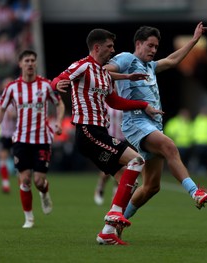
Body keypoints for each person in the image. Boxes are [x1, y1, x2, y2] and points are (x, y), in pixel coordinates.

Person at [51, 28, 163, 245]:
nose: (113, 50)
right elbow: (58, 78)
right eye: (110, 46)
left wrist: (143, 105)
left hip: (99, 132)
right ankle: (113, 215)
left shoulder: (103, 73)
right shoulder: (83, 65)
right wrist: (57, 84)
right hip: (87, 130)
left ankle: (107, 232)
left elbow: (114, 102)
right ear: (97, 47)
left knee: (126, 179)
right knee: (136, 160)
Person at [104, 22, 207, 234]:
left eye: (156, 47)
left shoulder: (150, 66)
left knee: (152, 186)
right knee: (169, 146)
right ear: (138, 43)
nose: (153, 50)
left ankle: (113, 225)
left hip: (152, 126)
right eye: (150, 46)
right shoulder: (126, 58)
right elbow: (104, 70)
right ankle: (195, 192)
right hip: (135, 123)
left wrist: (194, 40)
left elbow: (172, 60)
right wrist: (124, 77)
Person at [0, 50, 65, 228]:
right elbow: (2, 107)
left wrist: (59, 122)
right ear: (20, 64)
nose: (30, 63)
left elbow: (59, 103)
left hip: (42, 139)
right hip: (21, 140)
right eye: (27, 60)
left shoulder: (46, 85)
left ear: (36, 64)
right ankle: (29, 218)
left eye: (33, 60)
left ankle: (44, 193)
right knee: (24, 180)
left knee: (38, 181)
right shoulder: (12, 87)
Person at [94, 105, 126, 206]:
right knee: (106, 169)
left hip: (121, 139)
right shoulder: (105, 103)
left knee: (121, 168)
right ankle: (100, 186)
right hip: (108, 138)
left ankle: (115, 194)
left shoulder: (123, 102)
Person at [0, 77, 17, 193]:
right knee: (3, 157)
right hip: (6, 133)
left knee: (19, 159)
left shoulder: (17, 99)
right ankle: (5, 184)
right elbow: (8, 114)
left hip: (16, 133)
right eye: (5, 84)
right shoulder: (1, 99)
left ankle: (20, 183)